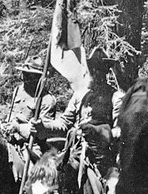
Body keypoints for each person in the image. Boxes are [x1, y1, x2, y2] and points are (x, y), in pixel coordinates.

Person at [36, 47, 121, 182]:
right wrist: (43, 126)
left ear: (106, 72)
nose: (95, 73)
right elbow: (64, 123)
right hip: (74, 150)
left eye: (100, 70)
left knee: (109, 193)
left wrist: (98, 132)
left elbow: (119, 131)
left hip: (102, 157)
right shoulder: (79, 95)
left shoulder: (116, 97)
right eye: (92, 69)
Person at [3, 54, 59, 180]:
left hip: (32, 144)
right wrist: (8, 123)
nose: (26, 79)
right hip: (11, 139)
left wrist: (18, 127)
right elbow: (11, 113)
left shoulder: (47, 99)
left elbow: (42, 131)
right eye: (25, 74)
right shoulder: (18, 90)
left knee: (32, 173)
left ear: (39, 77)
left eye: (31, 76)